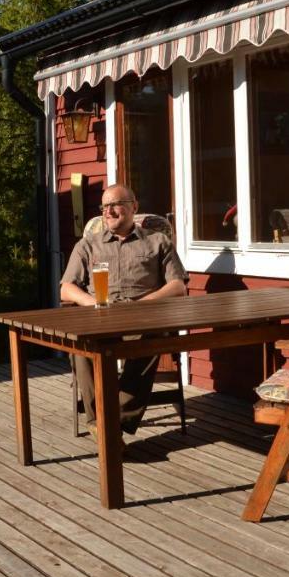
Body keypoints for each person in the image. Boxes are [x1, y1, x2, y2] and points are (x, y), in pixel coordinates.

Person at [60, 184, 187, 438]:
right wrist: (91, 303)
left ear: (134, 207)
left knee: (153, 339)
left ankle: (110, 423)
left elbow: (178, 286)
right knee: (79, 347)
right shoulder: (87, 245)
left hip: (141, 316)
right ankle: (102, 423)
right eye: (104, 206)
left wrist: (146, 302)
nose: (109, 211)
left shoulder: (157, 241)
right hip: (98, 316)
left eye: (115, 204)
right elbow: (66, 289)